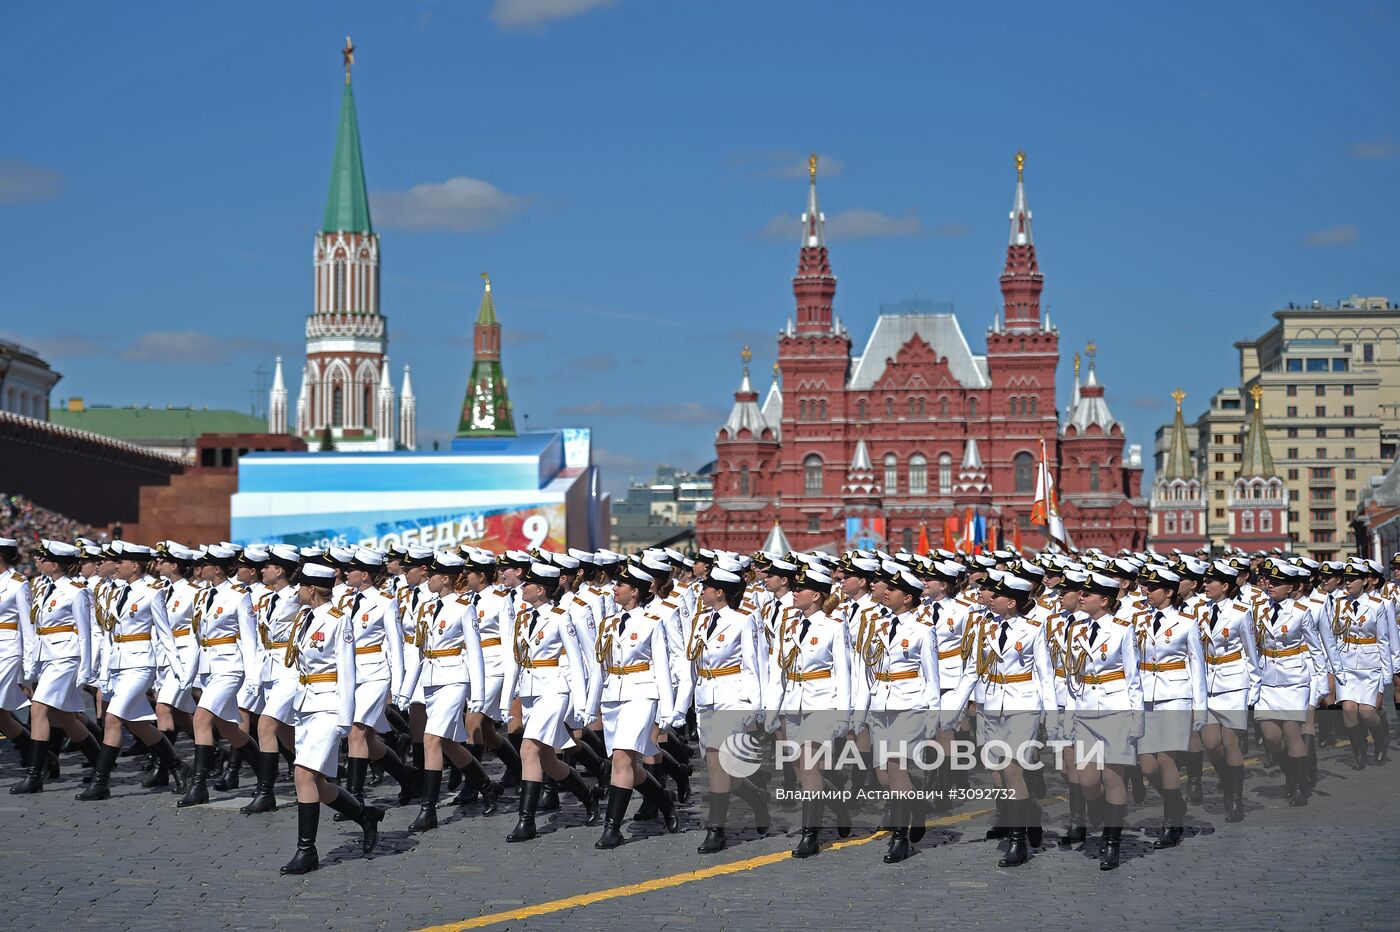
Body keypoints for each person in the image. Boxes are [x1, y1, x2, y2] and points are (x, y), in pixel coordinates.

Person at [940, 570, 1056, 869]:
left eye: (999, 595)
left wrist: (1052, 717)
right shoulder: (983, 628)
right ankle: (1028, 813)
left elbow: (1045, 676)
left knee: (1012, 769)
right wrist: (952, 710)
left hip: (1022, 705)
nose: (991, 598)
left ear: (1013, 603)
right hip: (990, 705)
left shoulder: (1032, 630)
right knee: (998, 774)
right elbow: (971, 672)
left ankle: (1017, 842)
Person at [279, 562, 383, 874]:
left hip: (329, 704)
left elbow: (349, 672)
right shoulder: (303, 616)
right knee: (318, 784)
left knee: (303, 775)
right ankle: (365, 815)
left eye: (301, 586)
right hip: (305, 704)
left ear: (312, 588)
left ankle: (306, 850)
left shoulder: (339, 621)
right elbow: (278, 630)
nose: (296, 591)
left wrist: (345, 717)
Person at [398, 552, 500, 832]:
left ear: (445, 578)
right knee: (448, 743)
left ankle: (428, 809)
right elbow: (420, 652)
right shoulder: (427, 608)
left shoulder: (464, 607)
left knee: (431, 739)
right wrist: (407, 689)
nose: (427, 579)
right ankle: (487, 786)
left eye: (431, 575)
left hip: (455, 679)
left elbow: (475, 653)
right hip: (431, 679)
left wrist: (477, 694)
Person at [79, 543, 190, 800]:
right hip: (118, 664)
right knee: (136, 722)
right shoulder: (115, 592)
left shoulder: (152, 592)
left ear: (135, 565)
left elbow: (165, 634)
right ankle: (177, 766)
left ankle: (100, 781)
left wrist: (179, 670)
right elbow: (109, 634)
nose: (116, 565)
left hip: (141, 663)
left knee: (113, 717)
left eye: (121, 562)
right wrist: (103, 671)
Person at [674, 567, 769, 854]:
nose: (701, 591)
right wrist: (681, 706)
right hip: (706, 697)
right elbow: (691, 665)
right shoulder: (700, 621)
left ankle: (716, 830)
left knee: (716, 762)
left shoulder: (743, 621)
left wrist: (756, 706)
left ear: (720, 592)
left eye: (707, 587)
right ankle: (756, 798)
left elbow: (755, 665)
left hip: (732, 695)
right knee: (722, 767)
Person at [766, 566, 854, 860]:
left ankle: (810, 836)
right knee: (803, 770)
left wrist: (843, 713)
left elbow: (843, 673)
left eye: (800, 590)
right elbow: (779, 668)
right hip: (793, 701)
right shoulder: (788, 624)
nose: (794, 593)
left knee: (808, 762)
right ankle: (839, 804)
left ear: (816, 595)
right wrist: (771, 707)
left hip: (822, 702)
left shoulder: (833, 626)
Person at [591, 563, 681, 849]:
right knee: (627, 762)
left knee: (620, 758)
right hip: (613, 695)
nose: (614, 588)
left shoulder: (652, 622)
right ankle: (663, 799)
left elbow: (663, 667)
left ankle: (612, 827)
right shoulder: (608, 623)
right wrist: (591, 703)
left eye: (620, 585)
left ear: (635, 591)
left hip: (642, 692)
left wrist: (668, 709)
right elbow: (599, 667)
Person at [11, 540, 103, 794]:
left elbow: (86, 633)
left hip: (66, 657)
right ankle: (100, 763)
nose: (40, 562)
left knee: (39, 709)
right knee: (63, 717)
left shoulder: (76, 591)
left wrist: (86, 669)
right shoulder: (43, 587)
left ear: (56, 563)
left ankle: (35, 775)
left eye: (44, 559)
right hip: (47, 655)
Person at [862, 567, 940, 864]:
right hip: (880, 704)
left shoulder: (922, 630)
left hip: (910, 705)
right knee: (884, 775)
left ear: (907, 598)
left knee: (895, 769)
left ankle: (900, 838)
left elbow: (931, 676)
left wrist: (933, 715)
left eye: (891, 590)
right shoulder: (877, 625)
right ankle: (917, 804)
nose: (885, 593)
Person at [176, 545, 260, 807]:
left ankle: (199, 785)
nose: (201, 569)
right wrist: (188, 674)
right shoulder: (202, 596)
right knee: (227, 728)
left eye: (207, 565)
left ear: (218, 568)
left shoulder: (239, 596)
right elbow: (196, 638)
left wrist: (253, 677)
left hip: (230, 666)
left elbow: (249, 639)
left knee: (201, 718)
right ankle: (264, 773)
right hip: (208, 668)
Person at [338, 547, 419, 816]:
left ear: (365, 575)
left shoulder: (386, 601)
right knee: (367, 739)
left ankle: (354, 798)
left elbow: (396, 646)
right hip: (350, 672)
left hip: (374, 672)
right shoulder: (345, 601)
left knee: (357, 731)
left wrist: (399, 686)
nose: (346, 573)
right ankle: (405, 775)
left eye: (351, 569)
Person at [1133, 564, 1207, 848]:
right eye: (1146, 587)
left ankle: (1170, 823)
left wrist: (1200, 710)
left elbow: (1197, 667)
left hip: (1176, 695)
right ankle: (1175, 804)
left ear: (1168, 591)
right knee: (1147, 764)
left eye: (1152, 588)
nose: (1146, 591)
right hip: (1145, 696)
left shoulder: (1186, 623)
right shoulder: (1137, 620)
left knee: (1165, 759)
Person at [1253, 560, 1331, 805]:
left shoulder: (1300, 612)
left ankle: (1299, 786)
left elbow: (1317, 650)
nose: (1271, 586)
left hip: (1295, 680)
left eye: (1278, 583)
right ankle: (1292, 774)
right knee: (1271, 737)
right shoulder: (1257, 609)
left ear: (1290, 587)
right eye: (1270, 582)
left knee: (1291, 732)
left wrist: (1321, 685)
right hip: (1267, 680)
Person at [1198, 559, 1262, 823]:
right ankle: (1227, 778)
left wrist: (1253, 689)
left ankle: (1235, 799)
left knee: (1230, 741)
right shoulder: (1199, 610)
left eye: (1211, 581)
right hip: (1208, 681)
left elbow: (1250, 652)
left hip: (1234, 682)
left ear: (1225, 586)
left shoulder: (1240, 612)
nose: (1205, 585)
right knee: (1211, 743)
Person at [1332, 561, 1395, 770]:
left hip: (1371, 665)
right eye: (1346, 579)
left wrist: (1388, 672)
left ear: (1365, 581)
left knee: (1367, 713)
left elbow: (1385, 640)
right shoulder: (1338, 603)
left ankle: (1380, 740)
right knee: (1349, 712)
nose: (1347, 583)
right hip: (1346, 664)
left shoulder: (1378, 605)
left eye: (1352, 580)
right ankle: (1358, 752)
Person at [0, 537, 35, 762]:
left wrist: (28, 668)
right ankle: (41, 756)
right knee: (2, 717)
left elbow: (28, 627)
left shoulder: (18, 583)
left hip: (7, 649)